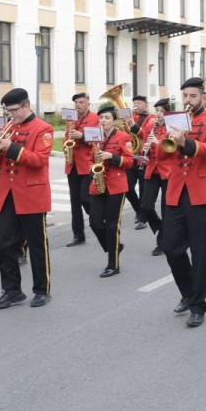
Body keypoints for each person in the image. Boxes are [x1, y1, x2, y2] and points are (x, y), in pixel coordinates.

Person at [156, 77, 206, 328]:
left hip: (202, 192)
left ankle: (198, 305)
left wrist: (185, 141)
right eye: (185, 96)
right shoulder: (174, 118)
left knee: (199, 252)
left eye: (193, 96)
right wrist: (166, 138)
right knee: (171, 247)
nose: (188, 101)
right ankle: (187, 291)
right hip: (176, 189)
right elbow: (161, 153)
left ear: (203, 98)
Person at [0, 88, 54, 309]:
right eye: (7, 111)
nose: (10, 115)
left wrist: (11, 147)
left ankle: (42, 290)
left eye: (13, 110)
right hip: (8, 193)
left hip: (32, 193)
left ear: (26, 106)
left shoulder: (43, 128)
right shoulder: (10, 128)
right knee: (4, 243)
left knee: (36, 244)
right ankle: (12, 290)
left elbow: (38, 160)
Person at [89, 105, 135, 277]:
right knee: (94, 223)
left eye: (107, 118)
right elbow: (88, 157)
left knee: (111, 225)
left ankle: (113, 265)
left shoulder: (123, 137)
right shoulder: (95, 136)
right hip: (98, 183)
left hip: (116, 184)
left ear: (114, 120)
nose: (103, 121)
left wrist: (112, 157)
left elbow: (131, 162)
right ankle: (114, 246)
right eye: (101, 118)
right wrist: (91, 166)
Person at [64, 92, 99, 247]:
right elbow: (66, 137)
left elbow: (98, 139)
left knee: (85, 198)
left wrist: (81, 135)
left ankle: (98, 219)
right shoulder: (71, 119)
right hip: (72, 165)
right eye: (76, 103)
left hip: (86, 164)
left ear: (88, 104)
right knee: (74, 202)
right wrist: (67, 143)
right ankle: (78, 235)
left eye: (81, 102)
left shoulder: (94, 118)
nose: (78, 105)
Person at [139, 97, 171, 255]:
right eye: (157, 111)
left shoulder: (172, 129)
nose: (158, 114)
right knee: (146, 206)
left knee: (166, 208)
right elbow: (143, 147)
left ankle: (162, 242)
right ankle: (160, 227)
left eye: (162, 112)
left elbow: (170, 152)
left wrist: (158, 142)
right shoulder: (149, 127)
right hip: (152, 169)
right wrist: (144, 148)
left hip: (167, 171)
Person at [126, 95, 151, 229]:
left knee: (143, 188)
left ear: (145, 105)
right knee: (127, 187)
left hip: (143, 157)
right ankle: (139, 210)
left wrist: (131, 124)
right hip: (131, 156)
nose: (136, 104)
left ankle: (143, 219)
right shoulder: (130, 117)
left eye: (139, 102)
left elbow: (144, 134)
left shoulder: (150, 118)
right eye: (134, 102)